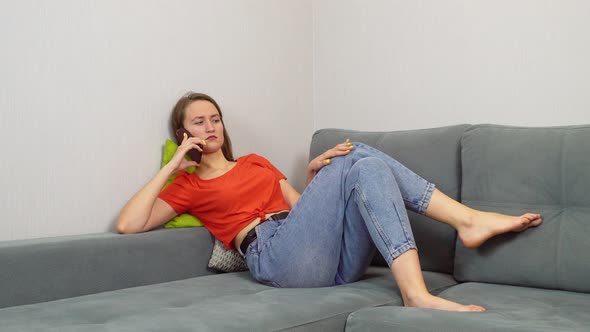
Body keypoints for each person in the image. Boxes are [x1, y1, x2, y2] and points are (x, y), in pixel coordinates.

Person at [116, 92, 542, 312]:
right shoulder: (189, 185)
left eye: (215, 118)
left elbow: (304, 211)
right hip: (274, 257)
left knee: (364, 166)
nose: (210, 126)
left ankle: (416, 293)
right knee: (355, 154)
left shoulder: (255, 162)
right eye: (198, 122)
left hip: (323, 256)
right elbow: (129, 225)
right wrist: (172, 166)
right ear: (184, 133)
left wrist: (319, 178)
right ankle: (466, 222)